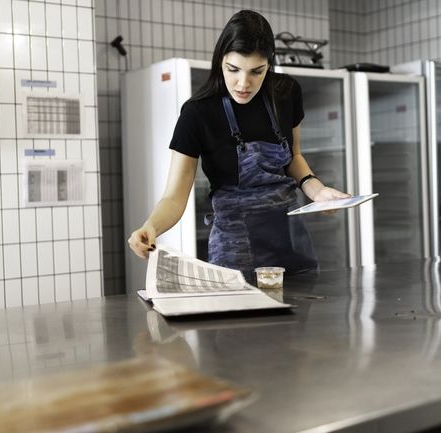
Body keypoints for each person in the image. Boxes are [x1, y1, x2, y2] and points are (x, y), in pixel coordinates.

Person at [127, 9, 349, 280]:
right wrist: (151, 226)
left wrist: (318, 191)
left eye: (257, 71)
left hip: (290, 242)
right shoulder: (198, 113)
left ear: (270, 64)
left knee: (299, 317)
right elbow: (174, 196)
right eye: (233, 70)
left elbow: (293, 157)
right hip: (235, 249)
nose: (244, 84)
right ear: (221, 60)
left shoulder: (286, 93)